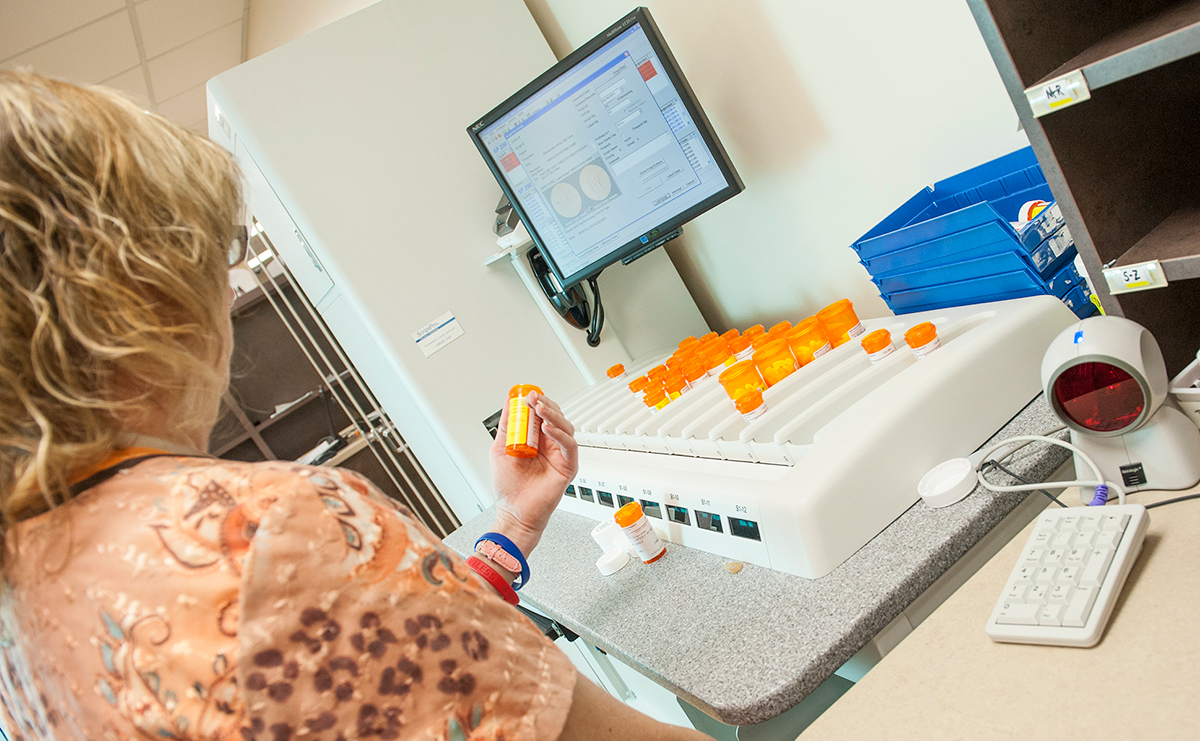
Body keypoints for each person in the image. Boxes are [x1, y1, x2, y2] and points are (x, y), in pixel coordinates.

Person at [0, 71, 710, 740]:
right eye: (217, 260)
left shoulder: (21, 584)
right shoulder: (263, 533)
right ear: (143, 295)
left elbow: (370, 680)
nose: (222, 294)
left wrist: (513, 525)